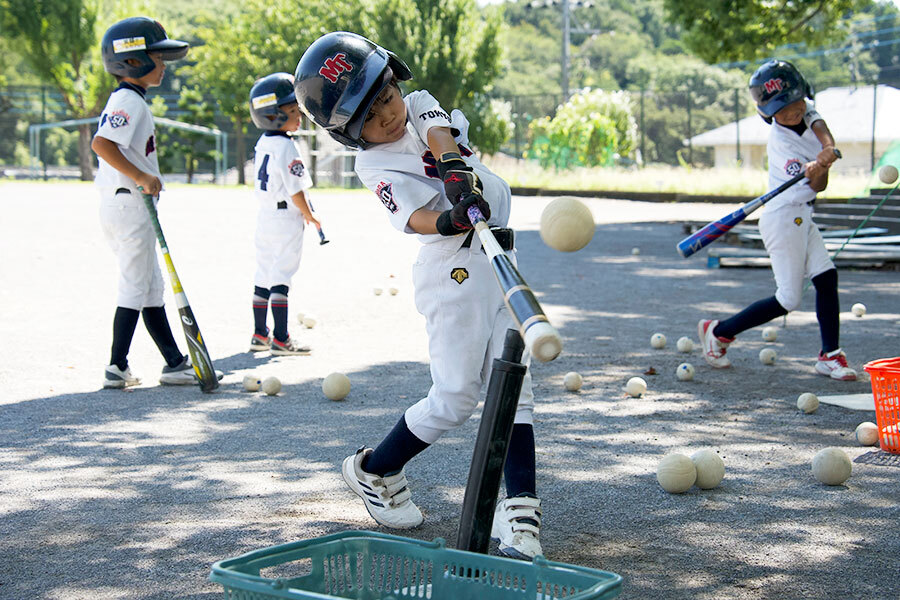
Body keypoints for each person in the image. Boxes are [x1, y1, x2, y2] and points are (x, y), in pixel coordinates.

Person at [294, 32, 544, 560]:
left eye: (385, 97)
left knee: (515, 385)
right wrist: (450, 216)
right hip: (450, 271)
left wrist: (453, 168)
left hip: (499, 254)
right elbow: (412, 217)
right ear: (350, 134)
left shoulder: (416, 106)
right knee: (455, 397)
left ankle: (520, 509)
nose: (387, 115)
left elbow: (438, 131)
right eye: (370, 116)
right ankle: (375, 468)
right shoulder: (373, 166)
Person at [698, 59, 856, 381]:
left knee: (826, 279)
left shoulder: (807, 108)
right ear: (768, 113)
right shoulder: (783, 145)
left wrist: (827, 150)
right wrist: (819, 171)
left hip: (801, 215)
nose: (791, 113)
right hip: (784, 218)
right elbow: (818, 187)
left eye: (794, 103)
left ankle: (830, 355)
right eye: (780, 110)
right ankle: (719, 333)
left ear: (803, 95)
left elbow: (820, 127)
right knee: (788, 299)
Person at [92, 17, 219, 389]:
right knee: (136, 286)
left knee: (149, 287)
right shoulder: (128, 101)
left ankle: (174, 362)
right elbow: (102, 144)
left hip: (126, 204)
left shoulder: (129, 100)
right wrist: (142, 176)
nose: (163, 66)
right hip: (130, 203)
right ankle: (116, 366)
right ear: (131, 61)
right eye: (156, 58)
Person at [247, 72, 318, 355]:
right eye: (291, 111)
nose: (298, 115)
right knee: (282, 275)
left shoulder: (264, 142)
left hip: (265, 216)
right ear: (272, 115)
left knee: (263, 273)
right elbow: (295, 190)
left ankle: (259, 334)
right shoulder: (287, 145)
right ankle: (280, 338)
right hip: (285, 217)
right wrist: (310, 215)